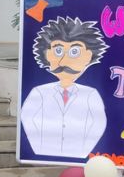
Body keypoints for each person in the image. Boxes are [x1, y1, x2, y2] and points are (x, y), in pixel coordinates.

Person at [20, 17, 109, 159]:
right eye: (58, 50)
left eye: (74, 52)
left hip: (79, 153)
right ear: (47, 54)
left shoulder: (91, 94)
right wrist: (39, 147)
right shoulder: (39, 92)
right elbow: (27, 118)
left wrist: (83, 151)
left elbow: (98, 124)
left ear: (88, 56)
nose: (64, 61)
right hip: (44, 152)